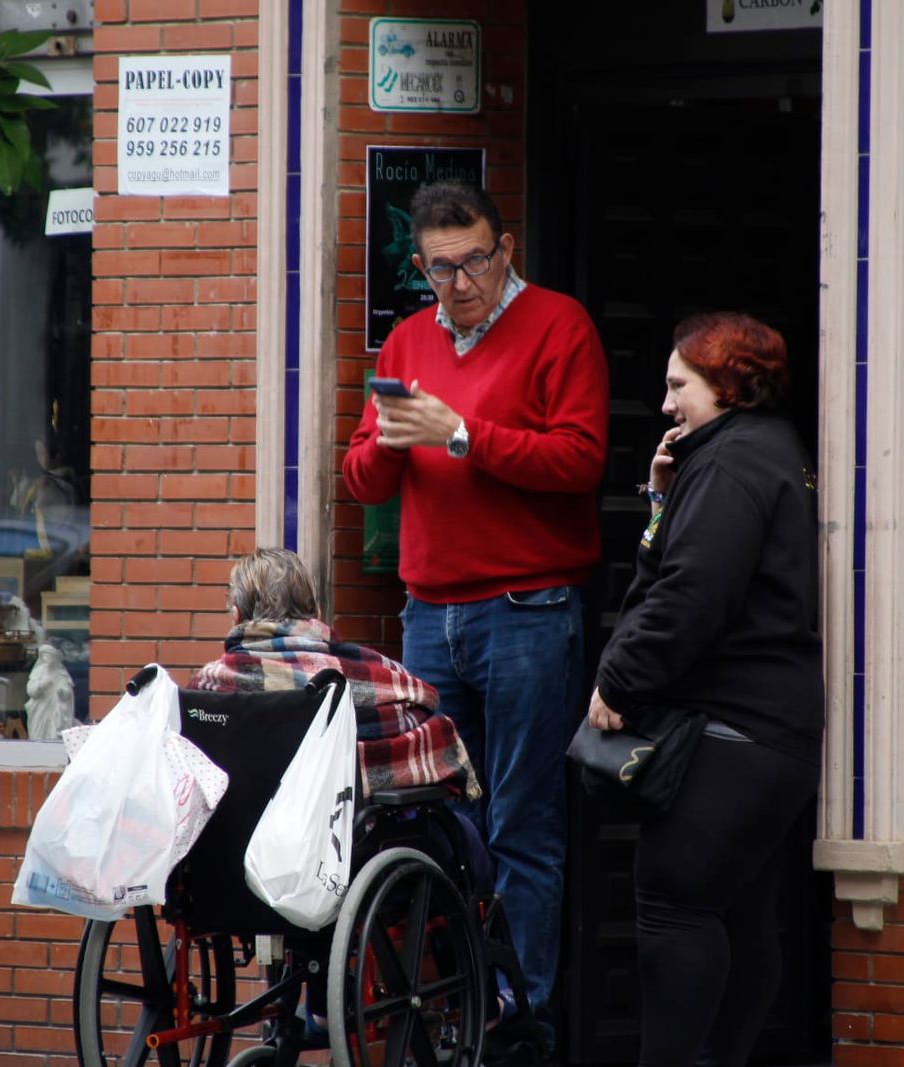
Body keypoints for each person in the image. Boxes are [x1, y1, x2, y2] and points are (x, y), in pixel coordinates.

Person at [342, 180, 609, 1044]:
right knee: (438, 824)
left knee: (520, 822)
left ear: (507, 250)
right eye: (440, 268)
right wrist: (388, 444)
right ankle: (453, 1003)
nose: (459, 284)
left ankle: (517, 1019)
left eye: (475, 262)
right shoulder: (411, 338)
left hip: (527, 607)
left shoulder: (560, 325)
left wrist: (462, 434)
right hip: (431, 613)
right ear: (420, 266)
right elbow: (360, 479)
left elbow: (578, 460)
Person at [587, 312, 822, 1067]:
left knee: (673, 901)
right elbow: (686, 572)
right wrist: (660, 499)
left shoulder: (729, 465)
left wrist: (618, 679)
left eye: (677, 385)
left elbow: (691, 597)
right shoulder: (753, 451)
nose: (664, 404)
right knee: (741, 911)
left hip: (731, 730)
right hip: (767, 734)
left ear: (725, 385)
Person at [189, 548, 481, 802]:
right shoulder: (378, 673)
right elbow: (425, 710)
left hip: (239, 839)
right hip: (341, 835)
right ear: (315, 610)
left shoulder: (210, 686)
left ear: (237, 615)